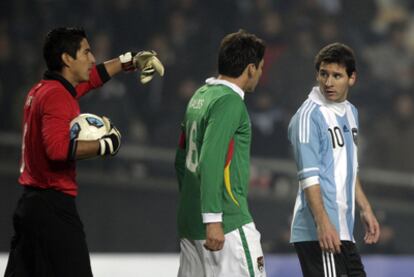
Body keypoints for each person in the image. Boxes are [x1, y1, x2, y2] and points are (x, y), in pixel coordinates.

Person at [4, 27, 164, 277]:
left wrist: (128, 61)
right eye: (86, 52)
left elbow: (93, 78)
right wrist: (106, 144)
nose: (92, 59)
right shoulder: (58, 96)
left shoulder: (42, 90)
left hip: (31, 205)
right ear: (67, 59)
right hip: (53, 208)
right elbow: (57, 150)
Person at [174, 30, 267, 277]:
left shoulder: (200, 96)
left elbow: (181, 161)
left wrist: (194, 206)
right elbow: (210, 158)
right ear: (250, 68)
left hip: (191, 222)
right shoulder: (230, 102)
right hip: (227, 223)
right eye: (260, 68)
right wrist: (213, 218)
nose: (260, 74)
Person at [288, 42, 380, 277]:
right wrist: (322, 223)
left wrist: (365, 208)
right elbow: (309, 177)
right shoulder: (309, 116)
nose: (328, 82)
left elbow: (348, 167)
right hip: (320, 231)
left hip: (342, 230)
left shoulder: (351, 112)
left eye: (337, 76)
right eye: (323, 74)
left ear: (352, 78)